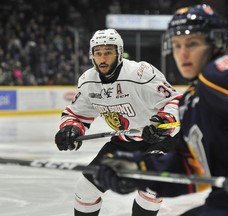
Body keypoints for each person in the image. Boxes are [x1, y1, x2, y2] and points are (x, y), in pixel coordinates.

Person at [92, 4, 228, 216]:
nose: (183, 54)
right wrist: (140, 171)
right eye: (176, 45)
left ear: (216, 43)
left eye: (192, 44)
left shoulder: (223, 73)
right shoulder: (190, 102)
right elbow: (192, 167)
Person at [54, 28, 182, 216]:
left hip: (159, 140)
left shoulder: (140, 74)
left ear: (119, 53)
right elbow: (76, 114)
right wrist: (70, 129)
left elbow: (176, 101)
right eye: (98, 53)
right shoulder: (88, 81)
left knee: (151, 187)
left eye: (108, 52)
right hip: (124, 143)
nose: (103, 59)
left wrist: (162, 122)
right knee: (85, 190)